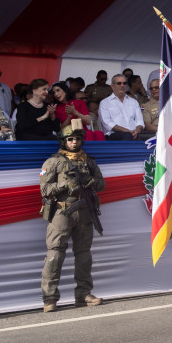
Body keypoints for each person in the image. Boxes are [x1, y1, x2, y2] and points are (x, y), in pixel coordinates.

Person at [39, 123, 106, 312]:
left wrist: (93, 181)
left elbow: (102, 184)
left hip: (85, 212)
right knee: (55, 254)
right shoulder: (53, 162)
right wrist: (64, 185)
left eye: (77, 139)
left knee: (84, 254)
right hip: (62, 213)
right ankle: (50, 298)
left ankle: (84, 294)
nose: (74, 142)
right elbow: (44, 189)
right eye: (70, 139)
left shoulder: (88, 161)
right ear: (64, 141)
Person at [98, 73, 145, 140]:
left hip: (134, 133)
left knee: (152, 136)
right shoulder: (105, 103)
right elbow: (108, 123)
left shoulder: (133, 102)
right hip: (114, 135)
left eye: (124, 83)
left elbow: (140, 120)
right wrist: (128, 131)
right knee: (127, 136)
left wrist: (137, 130)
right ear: (112, 86)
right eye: (119, 83)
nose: (122, 85)